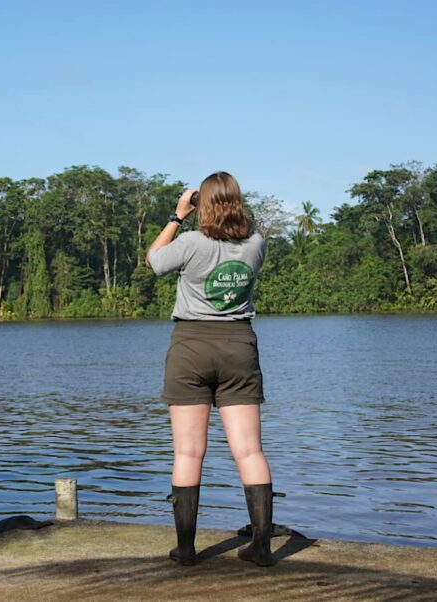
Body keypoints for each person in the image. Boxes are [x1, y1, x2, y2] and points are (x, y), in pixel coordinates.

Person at [145, 171, 274, 567]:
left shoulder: (189, 243)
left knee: (187, 451)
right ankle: (261, 547)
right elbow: (241, 231)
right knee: (249, 450)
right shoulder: (255, 243)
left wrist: (176, 215)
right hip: (239, 346)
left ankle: (185, 549)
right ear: (237, 201)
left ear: (201, 204)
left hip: (191, 348)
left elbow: (154, 261)